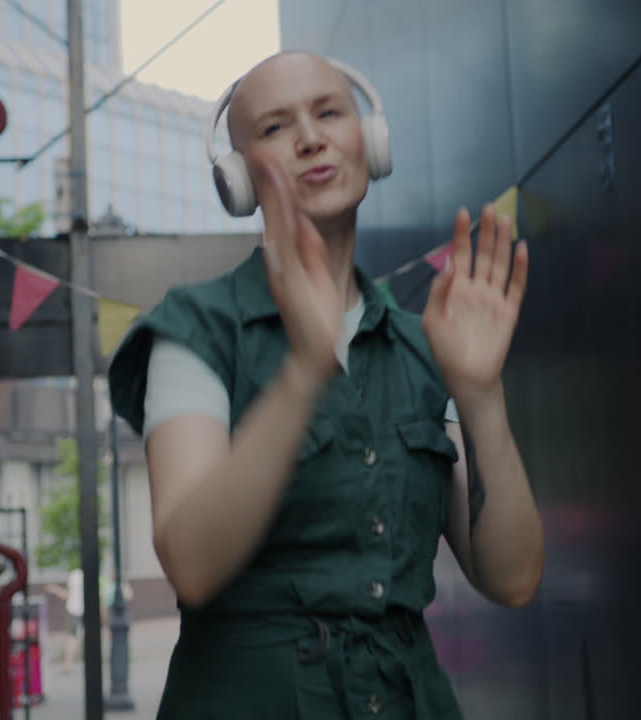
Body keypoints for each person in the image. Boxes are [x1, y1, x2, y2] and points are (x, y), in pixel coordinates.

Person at [107, 51, 544, 719]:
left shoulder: (424, 346)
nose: (310, 137)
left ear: (369, 142)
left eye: (329, 112)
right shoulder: (195, 329)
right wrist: (304, 372)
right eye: (275, 128)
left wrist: (481, 394)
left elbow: (512, 578)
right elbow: (192, 564)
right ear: (238, 178)